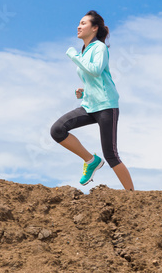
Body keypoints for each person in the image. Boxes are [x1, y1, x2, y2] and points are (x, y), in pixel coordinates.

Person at [50, 10, 134, 191]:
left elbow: (95, 70)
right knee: (57, 130)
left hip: (106, 106)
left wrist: (74, 56)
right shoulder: (86, 50)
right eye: (79, 23)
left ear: (94, 28)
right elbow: (93, 78)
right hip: (89, 106)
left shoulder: (100, 48)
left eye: (83, 23)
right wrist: (84, 90)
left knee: (111, 155)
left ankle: (133, 196)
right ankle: (91, 160)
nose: (78, 26)